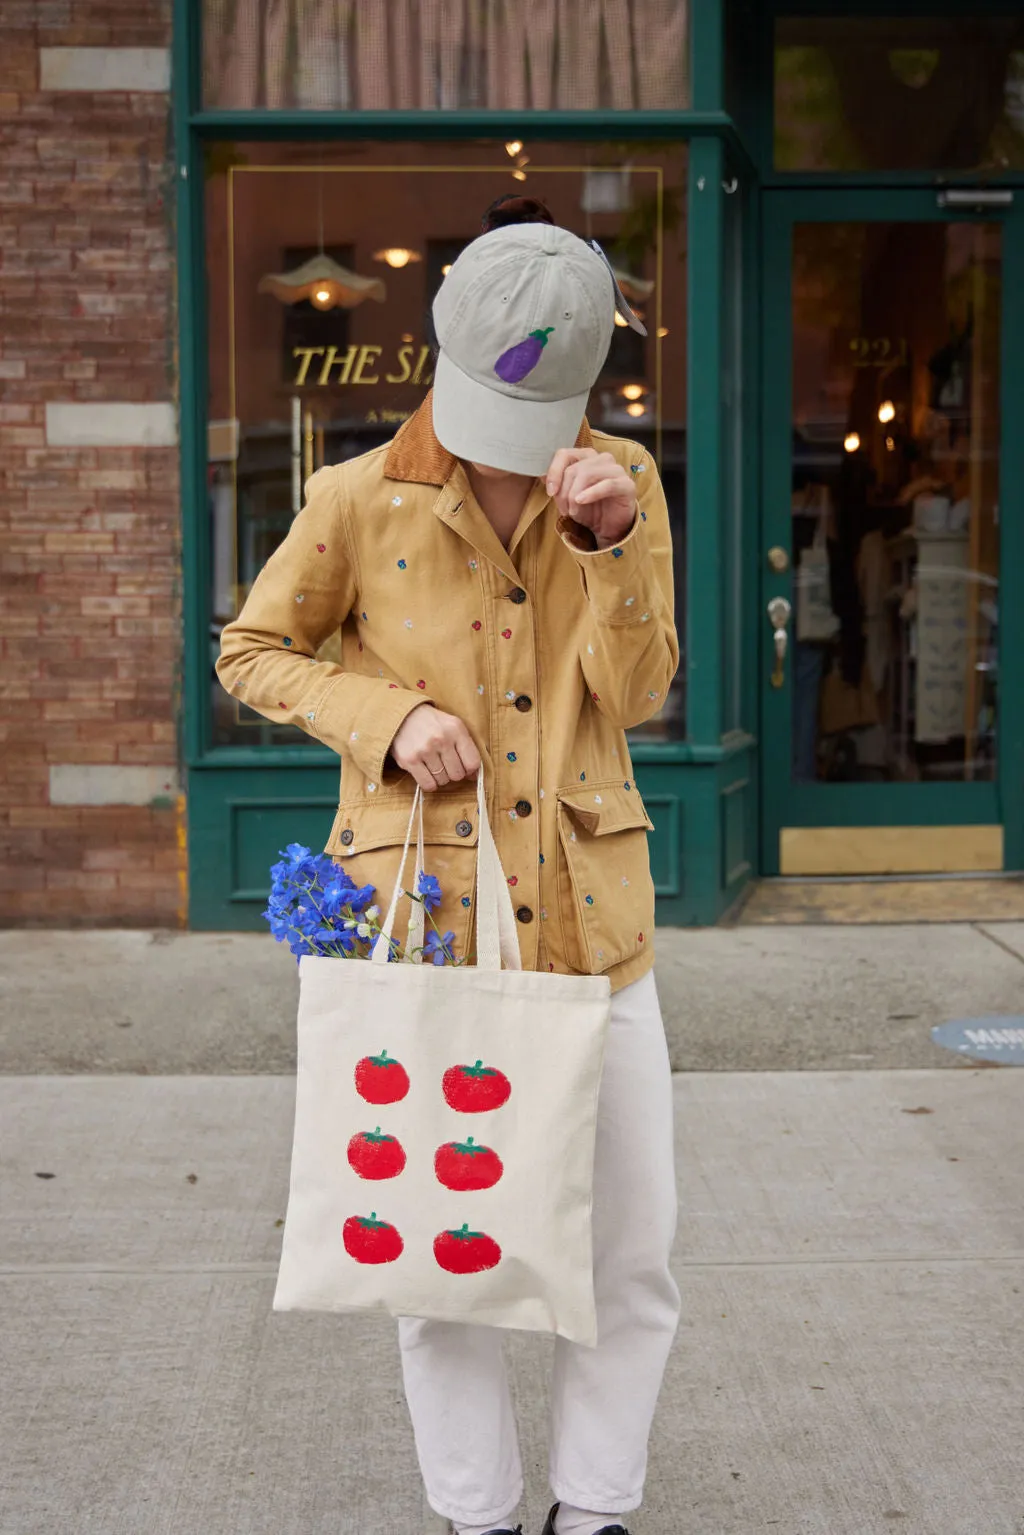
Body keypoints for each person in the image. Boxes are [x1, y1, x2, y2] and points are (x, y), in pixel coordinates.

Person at [216, 195, 681, 1535]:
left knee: (630, 1249)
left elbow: (642, 692)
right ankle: (475, 1516)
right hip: (425, 919)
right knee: (439, 1251)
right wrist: (390, 717)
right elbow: (252, 650)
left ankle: (593, 1512)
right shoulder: (356, 498)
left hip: (595, 924)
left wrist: (607, 548)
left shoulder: (623, 483)